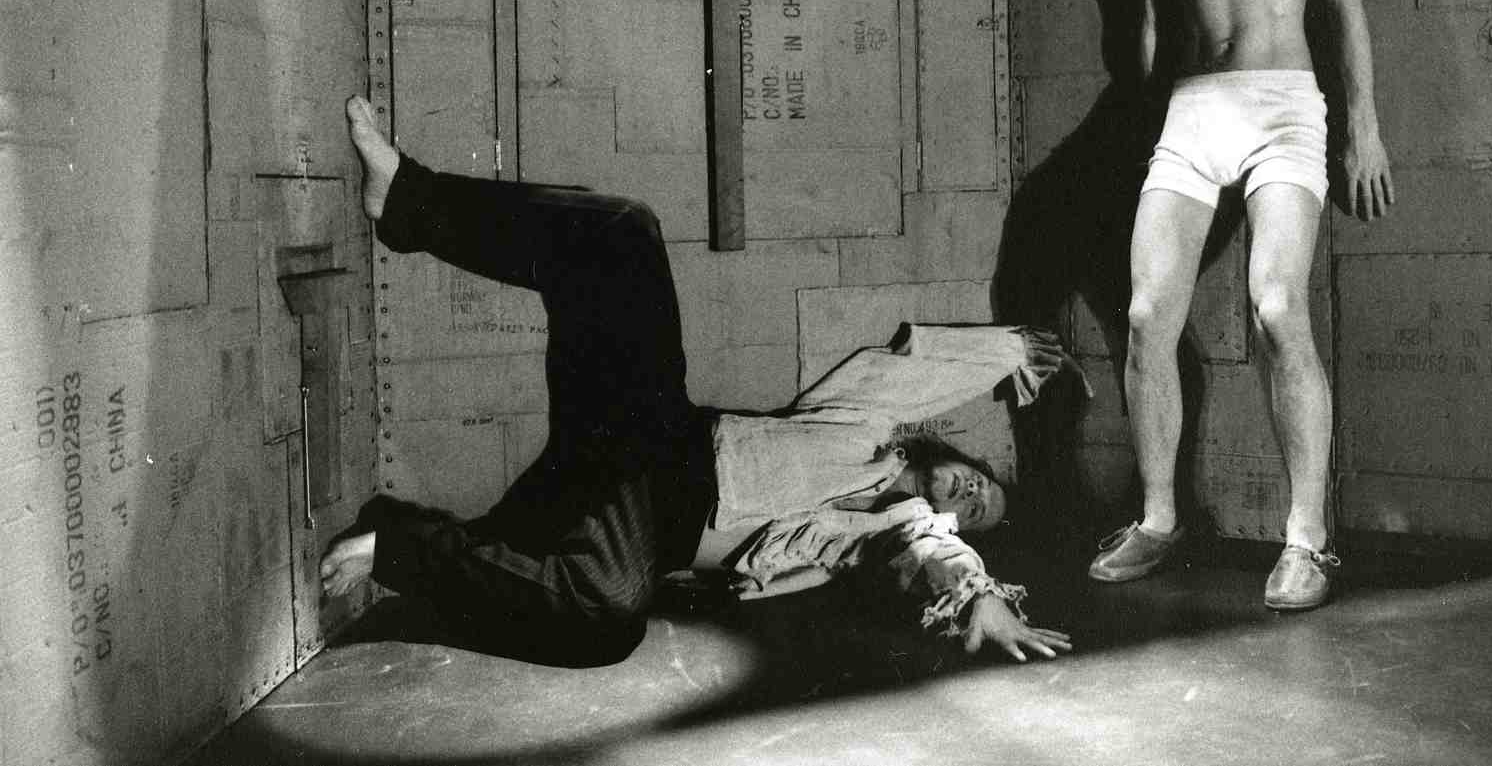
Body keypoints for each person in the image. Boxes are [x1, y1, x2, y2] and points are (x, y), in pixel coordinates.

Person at [322, 96, 1073, 666]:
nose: (971, 494)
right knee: (625, 232)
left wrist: (977, 596)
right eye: (981, 481)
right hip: (650, 429)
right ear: (960, 457)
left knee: (606, 617)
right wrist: (1014, 349)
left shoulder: (883, 532)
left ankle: (394, 542)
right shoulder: (865, 424)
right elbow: (912, 371)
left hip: (645, 529)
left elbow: (934, 555)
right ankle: (407, 200)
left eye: (977, 511)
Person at [1086, 0, 1394, 610]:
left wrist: (1362, 126)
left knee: (1277, 306)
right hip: (1191, 110)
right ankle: (1157, 519)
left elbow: (1345, 1)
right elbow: (1149, 35)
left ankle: (1306, 541)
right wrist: (1145, 134)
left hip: (1283, 106)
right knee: (1145, 312)